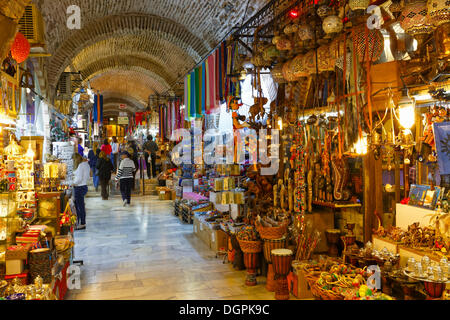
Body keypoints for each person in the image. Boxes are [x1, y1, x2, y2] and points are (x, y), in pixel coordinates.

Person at [72, 153, 90, 230]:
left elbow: (79, 178)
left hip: (79, 187)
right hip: (84, 186)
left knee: (79, 207)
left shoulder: (80, 166)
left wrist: (73, 183)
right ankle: (81, 222)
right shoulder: (86, 164)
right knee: (81, 206)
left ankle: (81, 223)